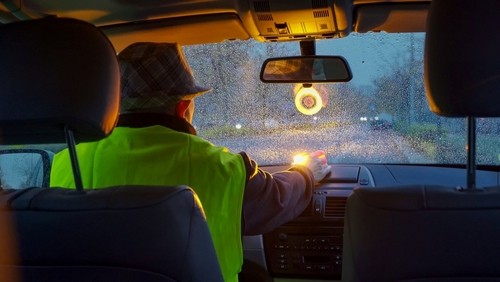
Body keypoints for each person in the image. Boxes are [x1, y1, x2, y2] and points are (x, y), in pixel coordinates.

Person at [50, 42, 331, 282]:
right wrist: (307, 173)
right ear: (182, 108)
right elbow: (279, 198)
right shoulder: (222, 168)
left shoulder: (65, 161)